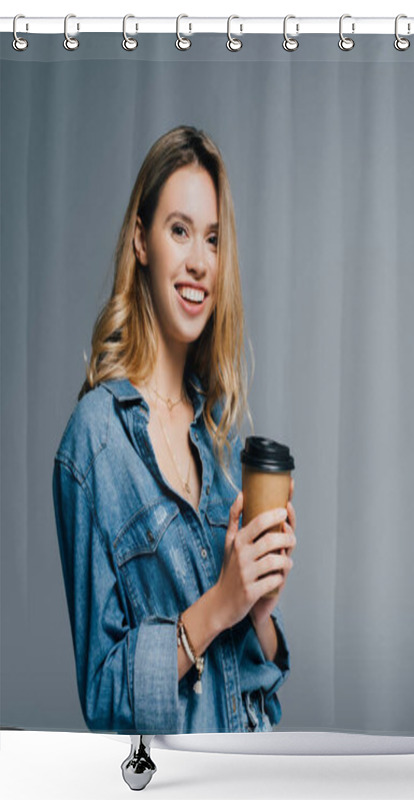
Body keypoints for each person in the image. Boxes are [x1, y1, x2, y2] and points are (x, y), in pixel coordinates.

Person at [51, 125, 296, 734]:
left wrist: (258, 609)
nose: (198, 262)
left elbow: (258, 685)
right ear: (141, 241)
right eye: (179, 230)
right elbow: (103, 691)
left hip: (256, 768)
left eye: (212, 239)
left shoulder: (217, 438)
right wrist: (219, 605)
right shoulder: (96, 443)